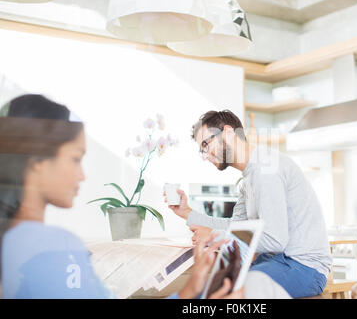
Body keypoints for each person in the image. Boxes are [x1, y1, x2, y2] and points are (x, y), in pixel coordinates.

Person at [0, 94, 243, 299]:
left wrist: (190, 289)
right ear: (37, 163)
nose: (82, 175)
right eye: (75, 159)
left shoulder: (13, 243)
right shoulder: (56, 248)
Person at [166, 110, 332, 299]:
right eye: (201, 150)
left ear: (228, 133)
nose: (204, 155)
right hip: (276, 262)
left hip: (302, 267)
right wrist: (187, 212)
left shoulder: (264, 169)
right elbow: (235, 226)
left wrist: (212, 234)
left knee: (218, 292)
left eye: (206, 144)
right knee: (207, 290)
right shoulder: (250, 176)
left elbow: (275, 241)